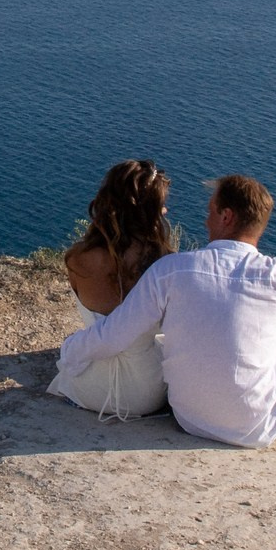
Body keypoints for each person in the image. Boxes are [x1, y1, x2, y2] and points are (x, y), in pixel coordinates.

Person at [55, 174, 276, 446]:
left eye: (210, 210)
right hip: (256, 427)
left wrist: (69, 352)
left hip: (189, 418)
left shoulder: (171, 270)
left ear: (226, 217)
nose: (205, 219)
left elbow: (114, 333)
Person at [46, 160, 175, 417]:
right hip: (147, 394)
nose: (166, 209)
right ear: (152, 211)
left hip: (90, 389)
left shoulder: (78, 259)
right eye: (160, 204)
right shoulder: (166, 265)